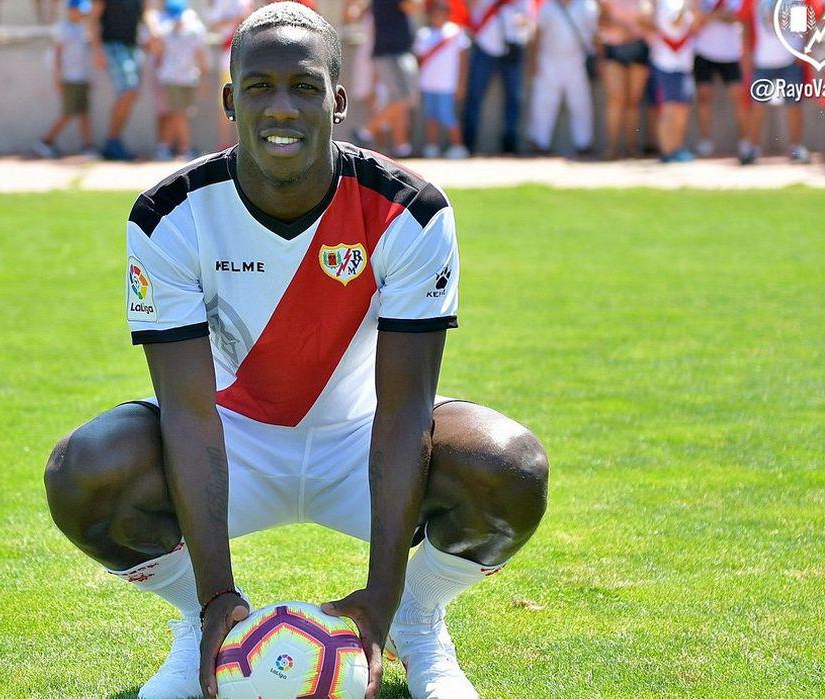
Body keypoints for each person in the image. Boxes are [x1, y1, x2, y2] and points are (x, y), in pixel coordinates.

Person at [42, 4, 550, 699]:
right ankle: (200, 625)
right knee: (84, 471)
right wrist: (216, 592)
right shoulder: (169, 213)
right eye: (259, 87)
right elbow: (188, 414)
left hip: (362, 440)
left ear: (337, 100)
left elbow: (405, 410)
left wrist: (380, 591)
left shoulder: (411, 209)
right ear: (229, 100)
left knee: (510, 467)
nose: (281, 107)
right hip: (229, 440)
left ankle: (417, 617)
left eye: (304, 87)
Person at [737, 0, 809, 165]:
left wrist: (803, 50)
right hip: (763, 60)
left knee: (794, 105)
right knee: (757, 105)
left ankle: (796, 147)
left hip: (791, 59)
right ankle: (752, 147)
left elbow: (804, 26)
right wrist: (746, 51)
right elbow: (745, 21)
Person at [462, 0, 535, 153]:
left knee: (514, 97)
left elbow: (530, 22)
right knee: (474, 95)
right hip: (485, 45)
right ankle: (468, 143)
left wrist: (520, 24)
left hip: (512, 49)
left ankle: (510, 143)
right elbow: (471, 10)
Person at [527, 0, 598, 155]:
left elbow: (595, 34)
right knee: (544, 103)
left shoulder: (587, 5)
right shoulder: (547, 6)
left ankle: (584, 144)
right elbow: (537, 33)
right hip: (548, 60)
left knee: (581, 104)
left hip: (577, 61)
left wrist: (598, 60)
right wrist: (533, 62)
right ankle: (540, 143)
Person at [353, 0, 422, 157]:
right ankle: (365, 132)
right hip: (391, 54)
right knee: (404, 99)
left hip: (393, 53)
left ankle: (401, 148)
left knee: (400, 101)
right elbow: (413, 5)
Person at [35, 0, 98, 159]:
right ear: (71, 10)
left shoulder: (83, 29)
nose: (83, 14)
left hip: (81, 77)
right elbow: (57, 54)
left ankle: (88, 146)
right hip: (69, 78)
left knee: (84, 113)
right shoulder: (63, 29)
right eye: (80, 10)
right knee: (68, 113)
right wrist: (57, 78)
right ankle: (45, 141)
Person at [146, 0, 208, 161]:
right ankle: (183, 148)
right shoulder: (165, 30)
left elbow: (200, 55)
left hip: (187, 78)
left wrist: (202, 78)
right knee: (177, 114)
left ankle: (165, 147)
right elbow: (156, 50)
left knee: (180, 114)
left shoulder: (194, 29)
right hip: (171, 78)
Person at [646, 0, 704, 162]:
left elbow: (697, 27)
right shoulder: (667, 3)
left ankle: (676, 148)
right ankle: (666, 151)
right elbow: (675, 24)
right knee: (669, 109)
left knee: (681, 109)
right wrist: (688, 5)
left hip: (684, 63)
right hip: (667, 64)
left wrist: (696, 7)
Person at [414, 0, 471, 157]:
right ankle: (432, 147)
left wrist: (461, 84)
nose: (438, 16)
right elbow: (418, 60)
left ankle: (458, 147)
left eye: (442, 12)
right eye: (435, 13)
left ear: (447, 14)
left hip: (447, 84)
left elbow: (463, 61)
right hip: (428, 84)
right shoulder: (424, 34)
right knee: (430, 116)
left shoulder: (456, 32)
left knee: (448, 116)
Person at [691, 0, 747, 157]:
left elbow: (739, 18)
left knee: (739, 97)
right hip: (703, 52)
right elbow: (696, 22)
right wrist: (721, 15)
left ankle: (744, 141)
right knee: (703, 96)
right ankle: (705, 142)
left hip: (731, 54)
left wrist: (711, 16)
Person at [598, 0, 652, 159]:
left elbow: (653, 25)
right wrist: (623, 26)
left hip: (639, 48)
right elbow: (601, 22)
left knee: (633, 101)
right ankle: (612, 148)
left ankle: (632, 148)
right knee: (615, 98)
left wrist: (641, 22)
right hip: (613, 48)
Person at [96, 0, 146, 161]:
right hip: (112, 45)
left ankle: (114, 141)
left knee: (131, 92)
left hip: (133, 46)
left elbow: (146, 14)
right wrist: (96, 50)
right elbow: (92, 19)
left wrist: (153, 33)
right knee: (128, 89)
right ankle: (112, 141)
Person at [209, 0, 255, 150]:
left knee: (247, 100)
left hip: (249, 57)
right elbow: (214, 24)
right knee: (226, 102)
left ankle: (245, 145)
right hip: (228, 59)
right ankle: (224, 146)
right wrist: (236, 19)